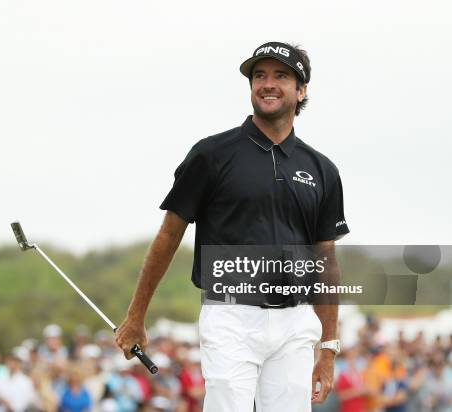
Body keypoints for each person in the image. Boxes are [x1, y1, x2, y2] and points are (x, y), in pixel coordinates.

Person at [115, 41, 349, 412]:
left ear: (301, 90)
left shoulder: (321, 169)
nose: (267, 84)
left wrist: (329, 348)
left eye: (281, 76)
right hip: (230, 316)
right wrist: (136, 316)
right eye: (259, 75)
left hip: (296, 321)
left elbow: (326, 260)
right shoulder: (211, 155)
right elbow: (168, 236)